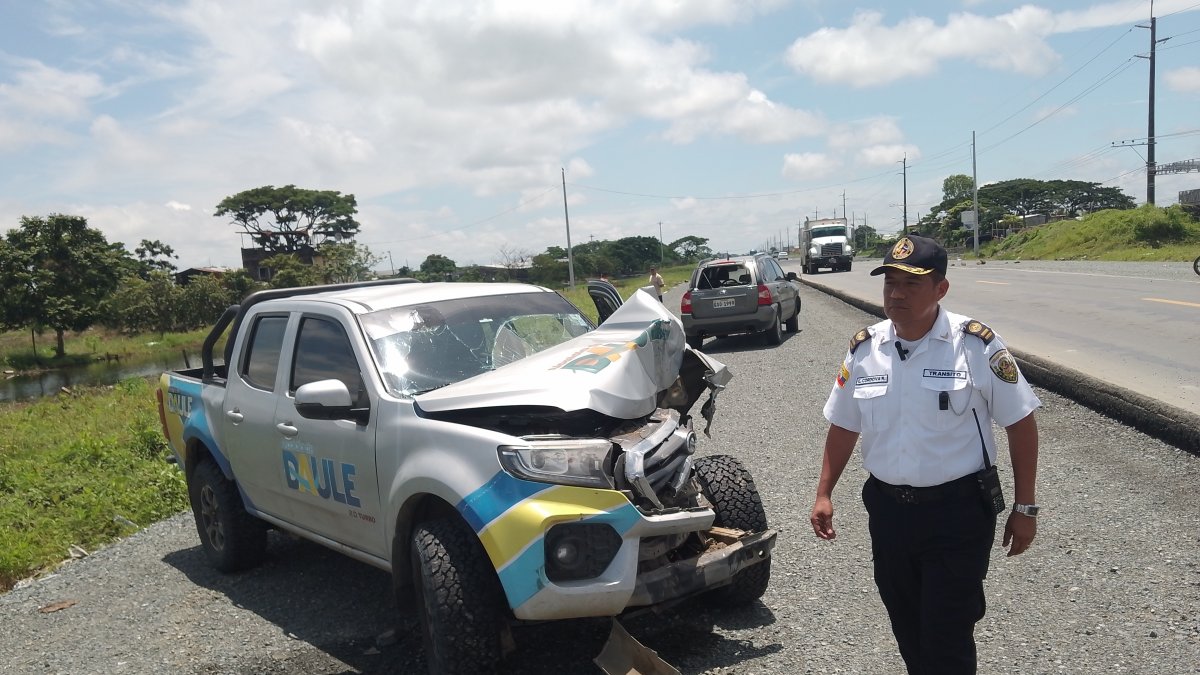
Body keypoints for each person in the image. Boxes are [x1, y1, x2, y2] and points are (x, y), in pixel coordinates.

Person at [809, 234, 1040, 674]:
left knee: (946, 636)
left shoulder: (976, 345)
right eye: (889, 282)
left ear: (940, 289)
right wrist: (824, 493)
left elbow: (1021, 422)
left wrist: (1025, 506)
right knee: (908, 629)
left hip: (957, 514)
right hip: (889, 513)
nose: (896, 294)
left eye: (911, 284)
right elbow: (843, 424)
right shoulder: (864, 349)